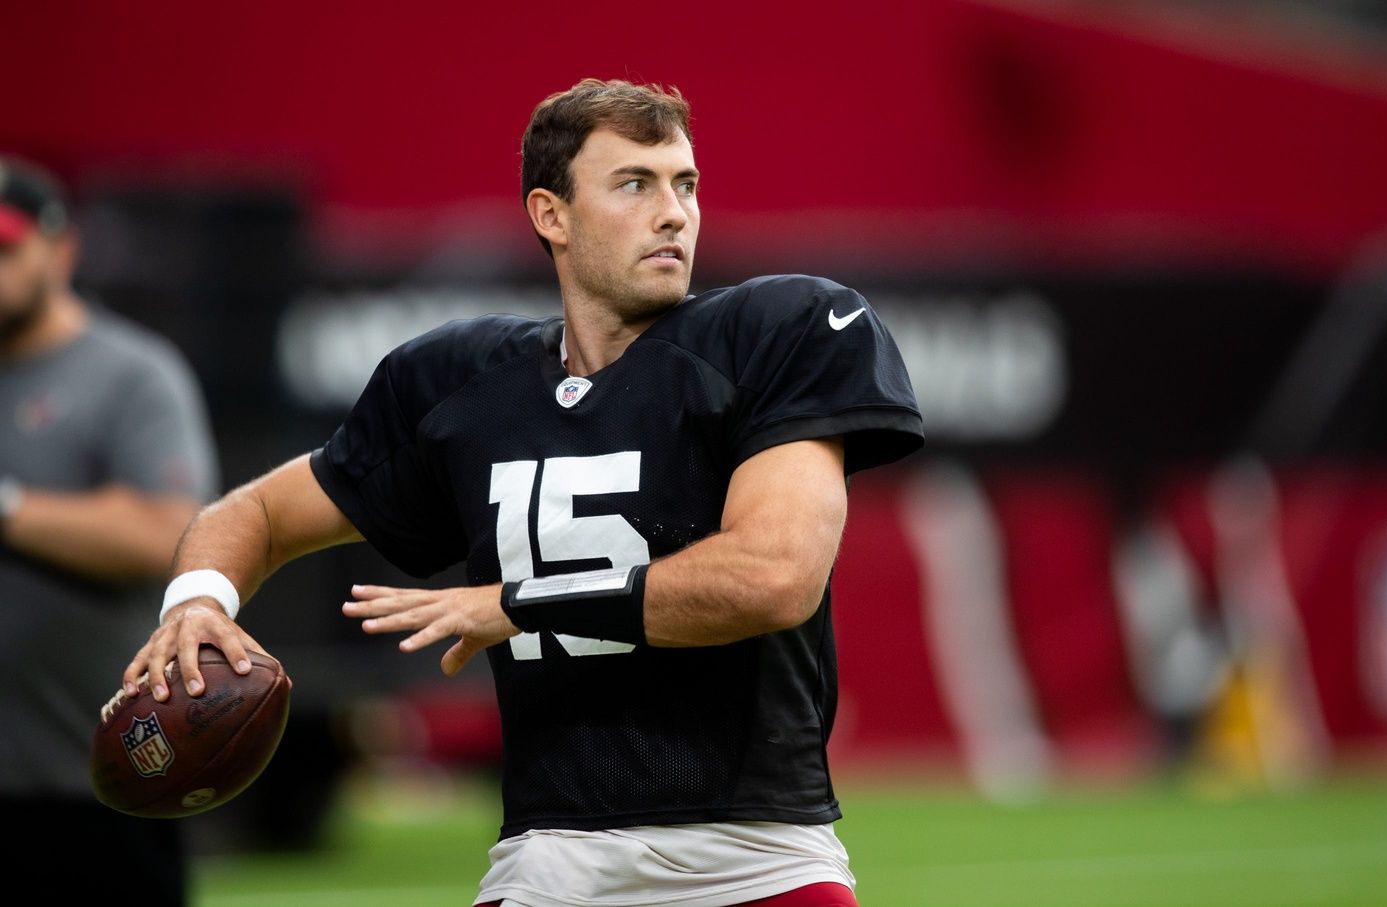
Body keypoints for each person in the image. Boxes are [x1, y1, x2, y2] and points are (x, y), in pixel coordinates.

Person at [122, 78, 923, 907]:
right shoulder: (464, 383)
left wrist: (522, 602)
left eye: (684, 183)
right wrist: (198, 601)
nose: (674, 212)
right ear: (551, 215)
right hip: (549, 858)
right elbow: (253, 513)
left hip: (752, 857)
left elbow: (773, 577)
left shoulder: (777, 333)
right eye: (634, 185)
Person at [0, 157, 218, 903]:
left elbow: (172, 534)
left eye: (5, 248)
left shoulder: (130, 375)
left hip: (102, 778)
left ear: (60, 250)